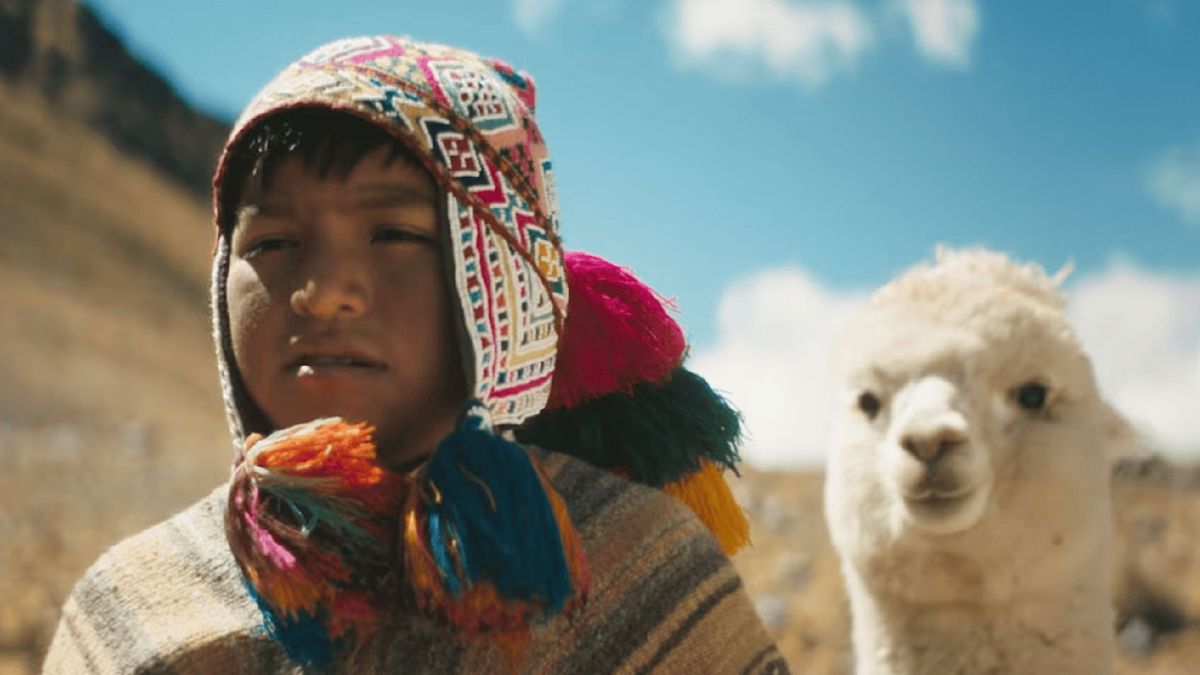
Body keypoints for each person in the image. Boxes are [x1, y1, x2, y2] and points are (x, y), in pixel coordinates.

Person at [44, 36, 787, 673]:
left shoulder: (640, 567)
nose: (323, 292)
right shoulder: (135, 611)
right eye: (271, 244)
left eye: (395, 236)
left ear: (502, 285)